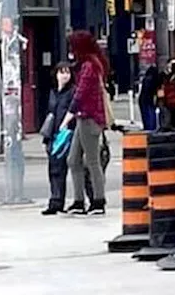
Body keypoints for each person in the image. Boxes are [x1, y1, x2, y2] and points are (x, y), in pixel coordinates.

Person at [61, 30, 112, 215]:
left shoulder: (90, 66)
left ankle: (98, 201)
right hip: (84, 117)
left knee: (92, 161)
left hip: (90, 118)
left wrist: (69, 114)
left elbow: (81, 93)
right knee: (73, 160)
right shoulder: (88, 64)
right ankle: (79, 201)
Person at [42, 62, 96, 215]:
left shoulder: (73, 92)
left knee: (78, 168)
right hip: (55, 135)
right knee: (55, 169)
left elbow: (76, 110)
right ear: (56, 74)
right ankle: (56, 201)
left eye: (67, 72)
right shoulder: (53, 92)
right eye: (61, 72)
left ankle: (90, 200)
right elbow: (50, 113)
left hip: (71, 133)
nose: (64, 75)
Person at [137, 62, 160, 131]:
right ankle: (152, 127)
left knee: (146, 113)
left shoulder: (146, 79)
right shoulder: (155, 79)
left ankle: (148, 127)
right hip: (150, 98)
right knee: (151, 112)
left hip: (144, 98)